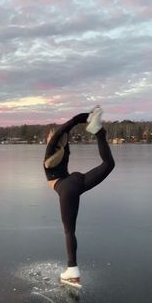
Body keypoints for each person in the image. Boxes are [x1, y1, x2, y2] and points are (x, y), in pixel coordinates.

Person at [43, 106, 115, 288]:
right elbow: (65, 129)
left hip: (66, 188)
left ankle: (72, 271)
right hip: (77, 181)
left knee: (69, 231)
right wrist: (88, 119)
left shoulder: (51, 149)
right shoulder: (64, 148)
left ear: (51, 138)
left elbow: (63, 129)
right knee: (108, 164)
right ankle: (99, 133)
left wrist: (81, 118)